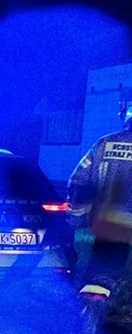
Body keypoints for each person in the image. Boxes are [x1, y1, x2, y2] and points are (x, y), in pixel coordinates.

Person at [68, 111, 132, 304]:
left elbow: (79, 181)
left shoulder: (104, 143)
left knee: (101, 275)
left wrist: (76, 217)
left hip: (112, 220)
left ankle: (90, 308)